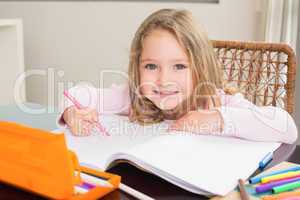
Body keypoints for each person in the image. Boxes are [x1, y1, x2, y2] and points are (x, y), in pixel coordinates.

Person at [58, 9, 298, 144]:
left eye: (179, 66)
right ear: (137, 67)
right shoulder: (133, 98)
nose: (164, 80)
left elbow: (286, 127)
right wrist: (72, 113)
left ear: (200, 68)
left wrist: (217, 119)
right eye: (151, 66)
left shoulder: (215, 102)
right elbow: (74, 94)